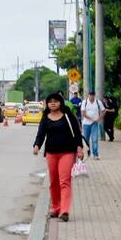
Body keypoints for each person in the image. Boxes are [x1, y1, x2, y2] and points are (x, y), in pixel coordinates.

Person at [32, 92, 85, 222]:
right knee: (54, 182)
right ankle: (56, 208)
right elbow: (41, 134)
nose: (53, 103)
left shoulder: (68, 116)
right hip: (51, 153)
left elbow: (77, 133)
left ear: (60, 102)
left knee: (64, 181)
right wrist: (37, 145)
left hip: (67, 152)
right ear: (47, 104)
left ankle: (64, 211)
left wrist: (79, 148)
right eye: (50, 102)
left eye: (56, 101)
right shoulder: (45, 118)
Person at [80, 91, 104, 158]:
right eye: (90, 95)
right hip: (86, 123)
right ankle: (87, 153)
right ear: (88, 95)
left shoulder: (98, 102)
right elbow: (83, 113)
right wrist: (91, 119)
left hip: (95, 123)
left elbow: (103, 111)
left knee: (94, 139)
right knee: (86, 139)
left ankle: (95, 154)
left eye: (93, 95)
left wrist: (98, 119)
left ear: (94, 95)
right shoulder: (85, 102)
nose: (91, 96)